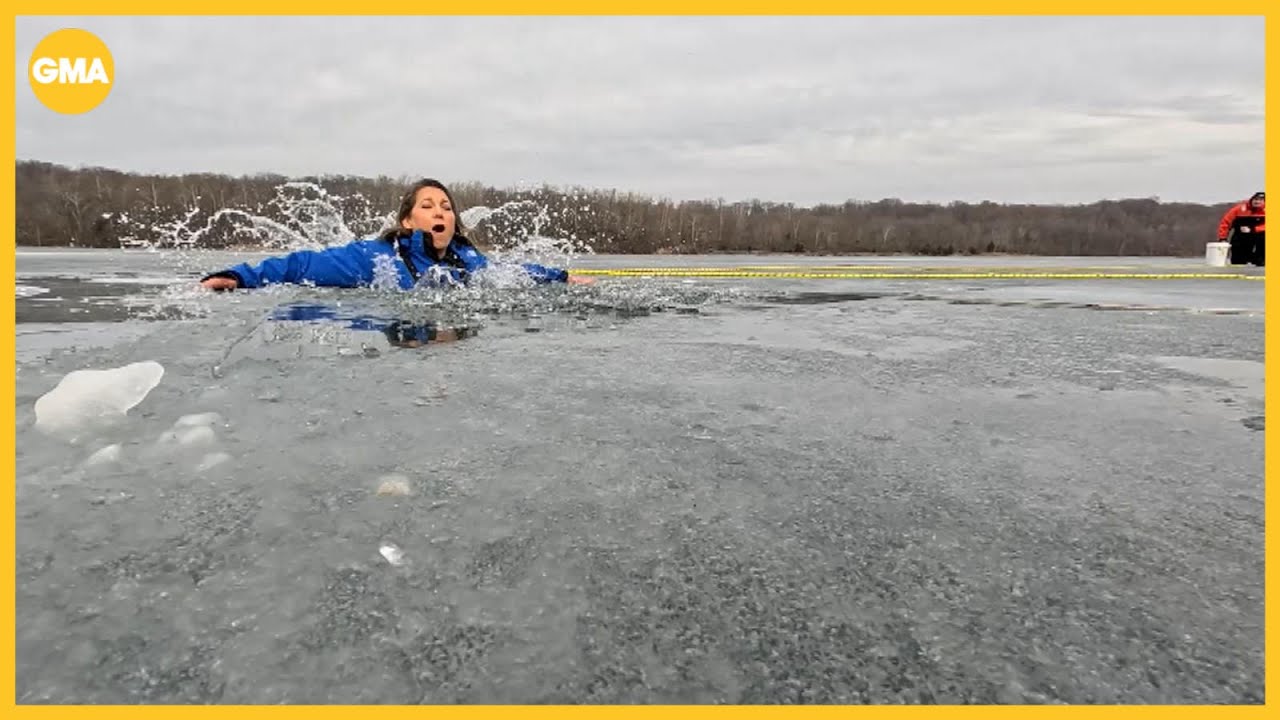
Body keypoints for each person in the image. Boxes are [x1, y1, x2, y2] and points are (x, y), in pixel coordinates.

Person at [199, 178, 594, 290]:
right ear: (408, 221)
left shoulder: (469, 261)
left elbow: (512, 272)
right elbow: (302, 264)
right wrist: (239, 277)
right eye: (428, 206)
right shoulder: (376, 259)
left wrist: (561, 277)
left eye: (446, 207)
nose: (441, 212)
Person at [1218, 191, 1265, 267]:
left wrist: (1253, 229)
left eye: (1260, 200)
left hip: (1260, 238)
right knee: (1237, 262)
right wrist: (1222, 238)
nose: (1257, 202)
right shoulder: (1239, 209)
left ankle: (1260, 260)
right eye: (1255, 199)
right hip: (1241, 238)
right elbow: (1225, 223)